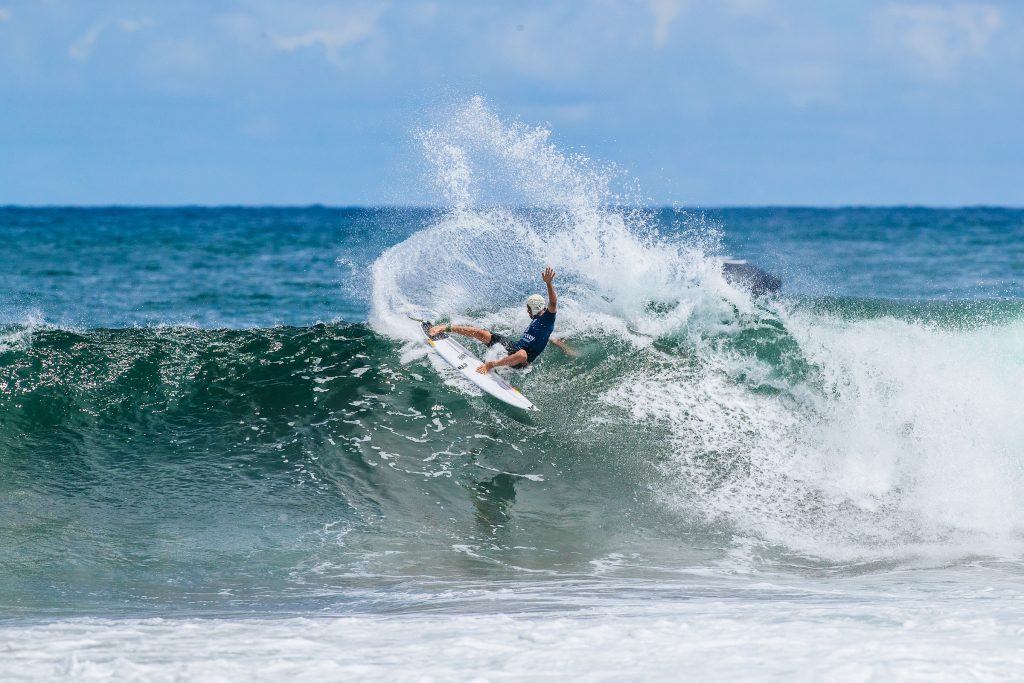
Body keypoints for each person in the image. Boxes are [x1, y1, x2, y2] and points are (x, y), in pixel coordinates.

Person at [428, 266, 574, 374]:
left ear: (534, 308)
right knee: (483, 333)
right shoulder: (537, 321)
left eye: (528, 308)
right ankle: (445, 328)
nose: (527, 311)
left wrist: (548, 283)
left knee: (522, 354)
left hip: (521, 361)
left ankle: (491, 365)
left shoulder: (547, 318)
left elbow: (553, 303)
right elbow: (548, 337)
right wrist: (560, 344)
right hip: (513, 349)